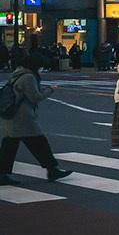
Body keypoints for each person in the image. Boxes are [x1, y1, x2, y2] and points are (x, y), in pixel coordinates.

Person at [0, 51, 73, 186]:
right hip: (22, 118)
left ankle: (3, 174)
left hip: (11, 115)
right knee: (38, 142)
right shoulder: (29, 77)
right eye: (41, 66)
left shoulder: (18, 73)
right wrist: (50, 89)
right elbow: (35, 97)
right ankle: (52, 169)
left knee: (10, 145)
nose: (42, 69)